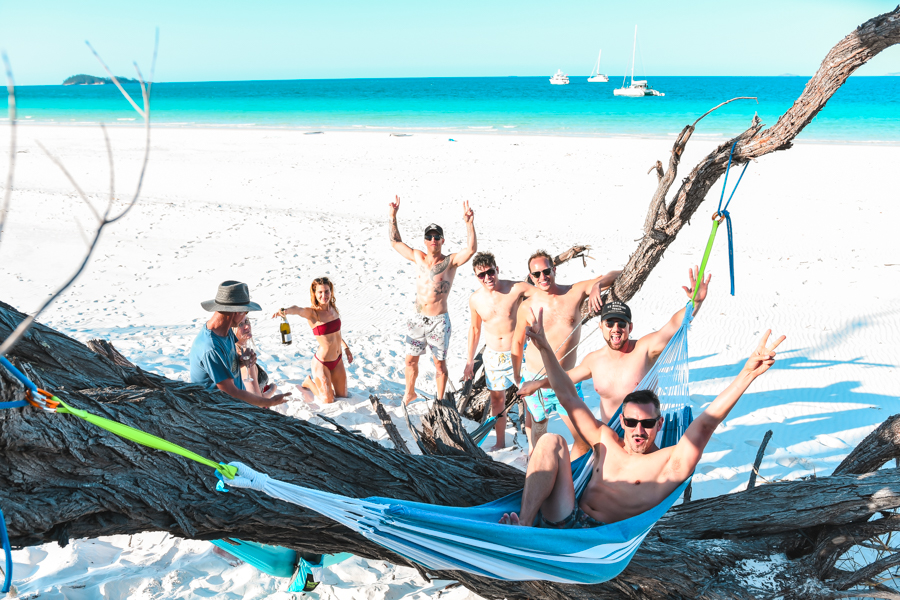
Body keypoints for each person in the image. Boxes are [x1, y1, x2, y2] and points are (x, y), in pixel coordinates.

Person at [500, 307, 784, 528]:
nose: (639, 430)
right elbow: (568, 396)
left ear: (659, 424)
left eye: (648, 423)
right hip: (566, 515)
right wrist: (544, 347)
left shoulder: (669, 464)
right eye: (632, 422)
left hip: (601, 542)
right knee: (551, 440)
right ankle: (524, 522)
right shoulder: (605, 441)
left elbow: (708, 422)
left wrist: (748, 373)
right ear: (621, 421)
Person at [519, 266, 712, 425]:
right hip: (610, 437)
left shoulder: (645, 349)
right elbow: (566, 377)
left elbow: (672, 326)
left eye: (622, 324)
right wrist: (537, 384)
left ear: (630, 327)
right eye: (610, 324)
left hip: (642, 434)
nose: (616, 329)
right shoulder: (594, 360)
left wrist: (694, 303)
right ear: (601, 326)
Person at [512, 250, 620, 456]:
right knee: (539, 427)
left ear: (554, 269)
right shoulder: (527, 306)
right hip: (535, 380)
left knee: (582, 436)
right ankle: (538, 464)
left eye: (546, 271)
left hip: (566, 381)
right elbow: (517, 342)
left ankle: (572, 476)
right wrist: (517, 376)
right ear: (531, 278)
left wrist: (596, 284)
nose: (542, 277)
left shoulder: (574, 292)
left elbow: (618, 274)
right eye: (536, 274)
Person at [388, 195, 476, 404]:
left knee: (439, 365)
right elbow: (395, 242)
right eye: (430, 237)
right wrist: (393, 215)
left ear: (443, 240)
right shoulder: (417, 256)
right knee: (410, 360)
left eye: (437, 237)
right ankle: (409, 393)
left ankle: (439, 399)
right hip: (417, 318)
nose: (433, 240)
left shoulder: (450, 261)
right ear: (425, 241)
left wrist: (469, 224)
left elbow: (471, 250)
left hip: (439, 321)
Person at [463, 251, 534, 451]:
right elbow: (475, 329)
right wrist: (469, 362)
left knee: (530, 398)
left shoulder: (515, 288)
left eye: (490, 272)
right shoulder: (475, 299)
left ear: (497, 269)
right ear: (476, 276)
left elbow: (541, 295)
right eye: (481, 275)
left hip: (520, 352)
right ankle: (500, 442)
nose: (487, 278)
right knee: (497, 401)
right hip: (493, 356)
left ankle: (532, 444)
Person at [190, 280, 290, 408]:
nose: (245, 319)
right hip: (218, 411)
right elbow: (231, 393)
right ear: (237, 312)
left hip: (232, 407)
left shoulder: (224, 332)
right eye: (246, 312)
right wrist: (270, 402)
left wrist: (242, 362)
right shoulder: (210, 347)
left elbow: (227, 364)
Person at [275, 277, 353, 404]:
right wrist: (286, 311)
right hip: (322, 363)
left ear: (331, 291)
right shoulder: (313, 313)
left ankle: (326, 384)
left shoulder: (333, 309)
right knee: (327, 400)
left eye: (327, 291)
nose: (324, 295)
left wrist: (346, 348)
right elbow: (297, 309)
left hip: (338, 360)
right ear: (315, 294)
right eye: (320, 292)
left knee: (343, 396)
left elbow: (337, 334)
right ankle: (309, 383)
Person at [232, 315, 279, 399]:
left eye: (247, 322)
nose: (247, 326)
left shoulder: (235, 351)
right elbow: (256, 400)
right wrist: (272, 388)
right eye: (240, 324)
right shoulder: (244, 357)